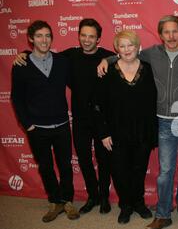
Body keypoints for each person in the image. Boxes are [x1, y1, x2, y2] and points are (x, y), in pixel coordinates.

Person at [98, 15, 178, 229]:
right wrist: (105, 60)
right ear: (161, 34)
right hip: (164, 122)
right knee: (165, 170)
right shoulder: (150, 54)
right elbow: (125, 56)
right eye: (166, 32)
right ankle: (163, 214)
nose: (171, 36)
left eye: (175, 31)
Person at [13, 19, 116, 215]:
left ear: (99, 39)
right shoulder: (68, 57)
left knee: (104, 160)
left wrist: (107, 60)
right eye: (83, 35)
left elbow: (123, 55)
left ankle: (104, 197)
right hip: (79, 120)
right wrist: (23, 53)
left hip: (102, 120)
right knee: (84, 160)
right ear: (78, 36)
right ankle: (92, 196)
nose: (86, 40)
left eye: (91, 36)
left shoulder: (106, 56)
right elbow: (42, 56)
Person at [11, 20, 80, 222]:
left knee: (65, 165)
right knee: (45, 166)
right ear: (31, 39)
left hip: (61, 125)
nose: (44, 40)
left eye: (48, 36)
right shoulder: (22, 65)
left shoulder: (62, 61)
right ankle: (54, 201)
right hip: (37, 128)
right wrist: (28, 125)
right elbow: (17, 98)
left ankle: (67, 200)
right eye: (39, 36)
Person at [94, 30, 157, 224]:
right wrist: (103, 133)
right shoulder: (108, 71)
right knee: (120, 171)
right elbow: (97, 104)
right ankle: (126, 205)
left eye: (130, 45)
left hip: (142, 131)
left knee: (139, 169)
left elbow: (153, 101)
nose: (127, 49)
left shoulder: (147, 68)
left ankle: (139, 203)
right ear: (116, 49)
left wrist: (151, 132)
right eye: (122, 46)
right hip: (116, 132)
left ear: (137, 47)